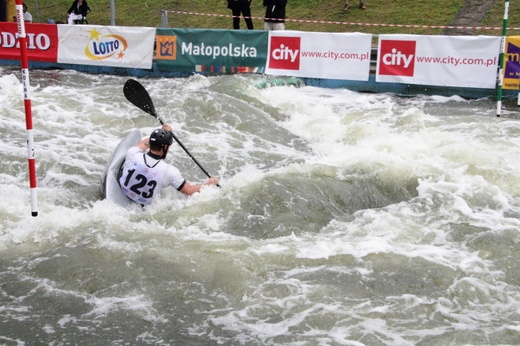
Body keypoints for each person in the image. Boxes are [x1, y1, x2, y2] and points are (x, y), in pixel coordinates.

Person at [118, 124, 219, 205]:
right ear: (165, 147)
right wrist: (209, 183)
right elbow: (189, 191)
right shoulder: (169, 171)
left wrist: (161, 132)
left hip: (121, 193)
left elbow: (144, 143)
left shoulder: (133, 153)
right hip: (142, 206)